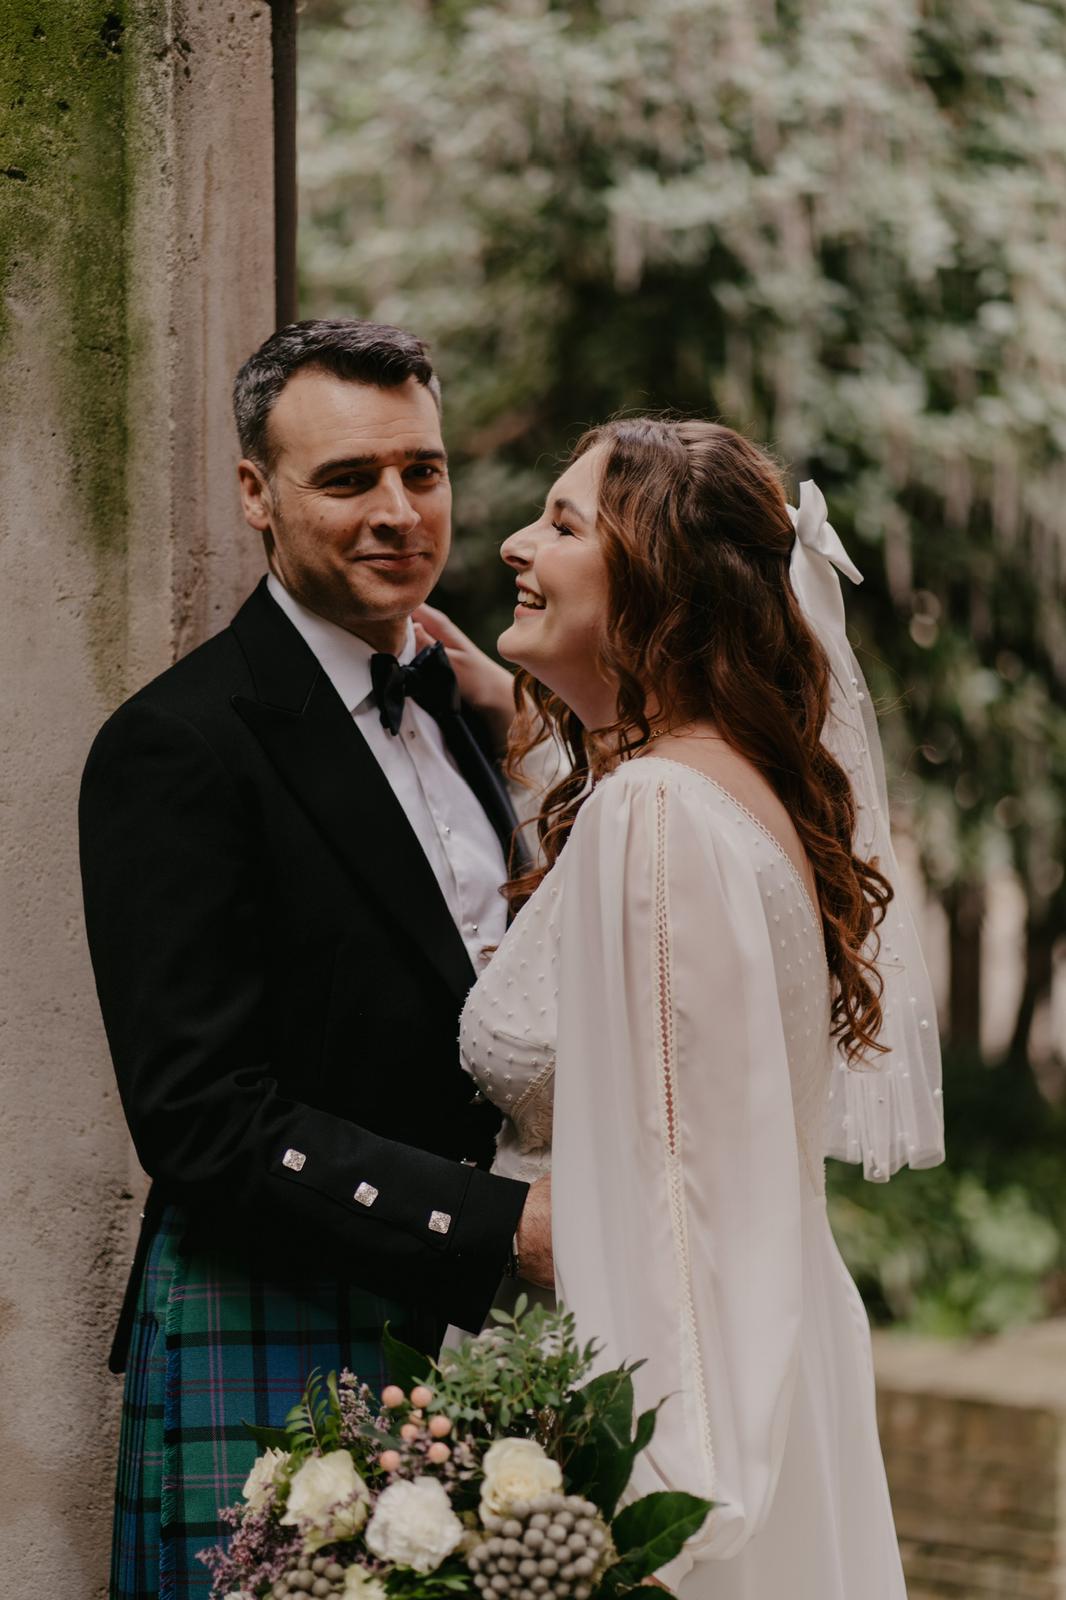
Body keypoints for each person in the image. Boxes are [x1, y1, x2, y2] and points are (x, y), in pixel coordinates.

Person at [79, 318, 552, 1600]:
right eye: (349, 479)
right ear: (256, 494)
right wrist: (502, 1225)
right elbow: (199, 1119)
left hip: (463, 1330)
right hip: (277, 1303)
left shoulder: (470, 708)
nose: (400, 511)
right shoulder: (177, 746)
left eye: (423, 470)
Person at [453, 418, 945, 1597]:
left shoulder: (654, 812)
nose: (517, 543)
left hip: (655, 1402)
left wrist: (663, 1504)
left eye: (564, 524)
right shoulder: (723, 789)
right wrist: (515, 713)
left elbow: (674, 1185)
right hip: (761, 1349)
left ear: (659, 579)